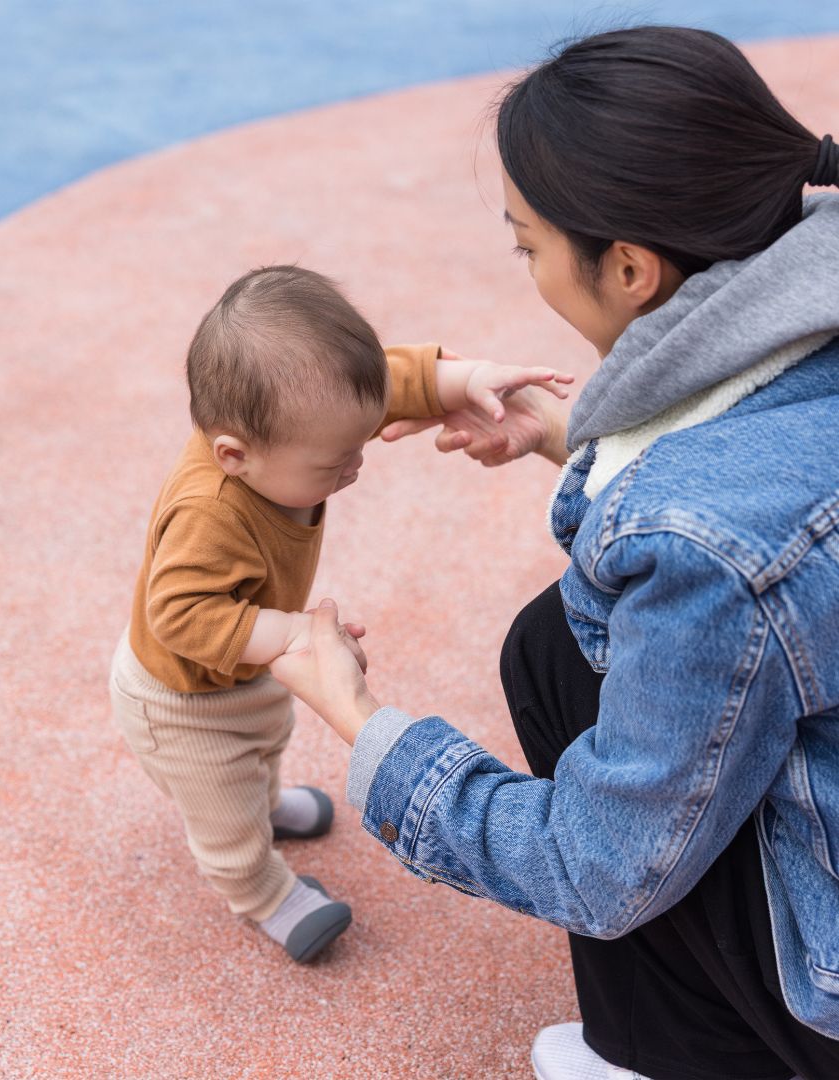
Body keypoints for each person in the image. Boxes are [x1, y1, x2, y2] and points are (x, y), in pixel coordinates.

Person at [268, 26, 839, 1079]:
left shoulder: (699, 545)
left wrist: (360, 722)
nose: (527, 268)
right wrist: (573, 439)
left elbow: (597, 864)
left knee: (595, 733)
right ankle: (654, 1038)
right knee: (555, 644)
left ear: (627, 267)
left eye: (528, 246)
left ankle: (701, 1055)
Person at [109, 265, 571, 963]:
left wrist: (458, 380)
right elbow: (180, 615)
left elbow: (375, 384)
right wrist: (293, 632)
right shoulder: (210, 513)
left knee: (266, 737)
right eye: (333, 463)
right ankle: (260, 891)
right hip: (183, 703)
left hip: (240, 664)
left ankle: (267, 803)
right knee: (223, 800)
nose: (354, 465)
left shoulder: (285, 429)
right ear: (234, 454)